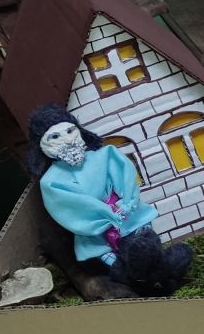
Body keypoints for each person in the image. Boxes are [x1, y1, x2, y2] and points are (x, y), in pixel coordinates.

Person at [26, 105, 192, 295]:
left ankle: (161, 274)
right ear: (42, 145)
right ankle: (153, 282)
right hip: (96, 233)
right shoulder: (51, 181)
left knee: (145, 248)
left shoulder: (105, 155)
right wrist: (106, 215)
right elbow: (70, 208)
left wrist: (128, 202)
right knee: (122, 266)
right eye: (55, 136)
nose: (68, 139)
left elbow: (126, 178)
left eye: (70, 131)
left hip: (129, 218)